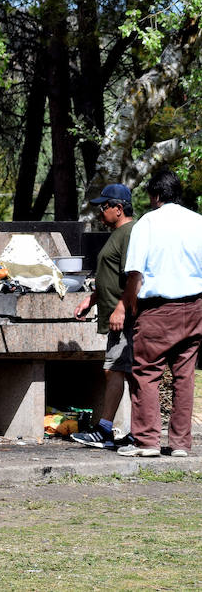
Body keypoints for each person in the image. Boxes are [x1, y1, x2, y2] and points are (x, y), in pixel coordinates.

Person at [118, 170, 202, 457]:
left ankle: (148, 442)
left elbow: (135, 273)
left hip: (157, 309)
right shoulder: (198, 221)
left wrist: (130, 304)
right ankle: (180, 444)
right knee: (185, 375)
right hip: (194, 307)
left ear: (155, 196)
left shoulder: (147, 223)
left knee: (146, 372)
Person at [70, 183, 136, 451]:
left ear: (118, 209)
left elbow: (133, 276)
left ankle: (106, 430)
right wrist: (92, 299)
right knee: (116, 370)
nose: (100, 212)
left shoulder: (129, 234)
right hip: (114, 314)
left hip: (126, 316)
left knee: (115, 369)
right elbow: (110, 275)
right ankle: (117, 430)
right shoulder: (117, 233)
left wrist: (121, 307)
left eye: (104, 207)